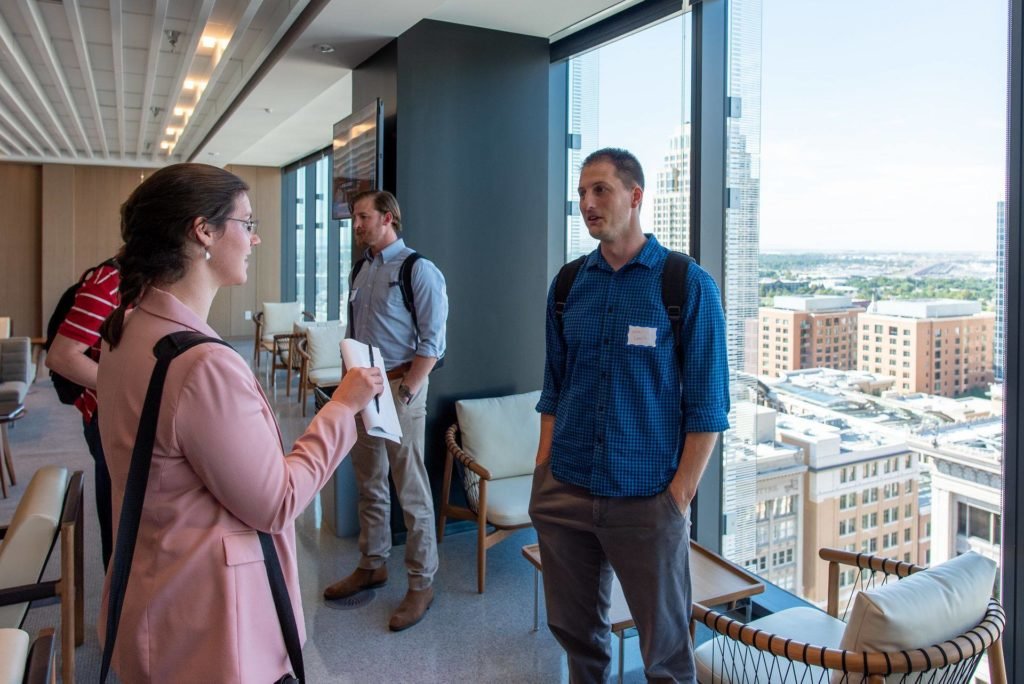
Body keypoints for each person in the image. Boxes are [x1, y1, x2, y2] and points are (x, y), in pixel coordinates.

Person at [95, 163, 382, 682]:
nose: (256, 239)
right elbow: (276, 501)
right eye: (246, 224)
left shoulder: (126, 332)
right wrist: (342, 406)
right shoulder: (204, 365)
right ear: (203, 231)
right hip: (209, 622)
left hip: (152, 591)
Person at [529, 148, 730, 682]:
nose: (587, 204)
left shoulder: (686, 285)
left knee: (665, 653)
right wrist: (542, 471)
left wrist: (678, 497)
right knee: (578, 641)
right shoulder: (569, 285)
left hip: (646, 499)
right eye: (582, 194)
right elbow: (554, 385)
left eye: (601, 190)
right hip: (566, 488)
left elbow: (708, 407)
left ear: (635, 197)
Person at [322, 190, 448, 632]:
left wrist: (410, 389)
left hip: (399, 387)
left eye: (362, 216)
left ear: (388, 217)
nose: (356, 224)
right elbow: (354, 331)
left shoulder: (418, 269)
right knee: (368, 480)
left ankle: (421, 582)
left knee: (410, 489)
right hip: (362, 384)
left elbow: (433, 341)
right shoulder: (362, 268)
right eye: (355, 217)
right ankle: (372, 563)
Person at [45, 257, 120, 569]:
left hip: (128, 415)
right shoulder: (111, 280)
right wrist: (128, 387)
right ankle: (115, 612)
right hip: (108, 417)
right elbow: (62, 356)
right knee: (119, 530)